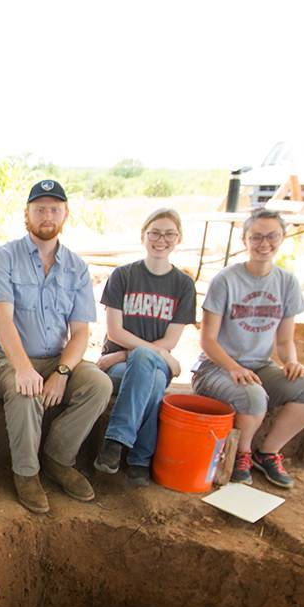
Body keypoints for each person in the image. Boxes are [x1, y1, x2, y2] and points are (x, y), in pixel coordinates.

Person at [0, 179, 113, 513]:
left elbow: (81, 332)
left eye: (54, 209)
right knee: (24, 388)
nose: (47, 215)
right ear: (26, 214)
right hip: (8, 360)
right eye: (39, 208)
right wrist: (24, 368)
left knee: (99, 384)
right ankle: (26, 473)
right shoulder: (5, 257)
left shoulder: (76, 267)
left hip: (55, 357)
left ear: (65, 214)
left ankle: (58, 458)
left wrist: (62, 371)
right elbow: (2, 319)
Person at [193, 208, 304, 487]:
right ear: (245, 240)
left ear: (282, 238)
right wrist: (233, 367)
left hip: (261, 366)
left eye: (271, 236)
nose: (264, 244)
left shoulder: (287, 282)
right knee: (253, 396)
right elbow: (207, 340)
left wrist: (291, 361)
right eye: (256, 237)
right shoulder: (226, 280)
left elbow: (284, 340)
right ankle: (242, 453)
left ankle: (267, 453)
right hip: (218, 366)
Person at [92, 208, 198, 487]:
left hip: (131, 357)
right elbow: (116, 330)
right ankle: (139, 459)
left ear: (179, 238)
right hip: (116, 366)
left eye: (169, 234)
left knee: (146, 367)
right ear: (143, 236)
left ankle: (115, 441)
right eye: (155, 232)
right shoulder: (123, 276)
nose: (161, 239)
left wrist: (131, 352)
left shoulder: (183, 285)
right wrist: (148, 355)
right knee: (152, 382)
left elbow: (171, 342)